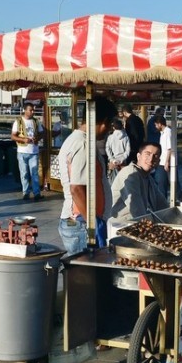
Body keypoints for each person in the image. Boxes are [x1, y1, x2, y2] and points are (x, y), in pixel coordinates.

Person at [57, 96, 117, 255]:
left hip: (81, 223)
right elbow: (76, 188)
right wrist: (93, 225)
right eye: (110, 124)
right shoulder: (83, 144)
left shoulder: (77, 140)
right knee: (85, 277)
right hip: (81, 225)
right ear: (103, 121)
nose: (110, 129)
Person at [110, 142, 169, 222]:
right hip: (123, 225)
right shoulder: (130, 173)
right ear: (138, 156)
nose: (151, 159)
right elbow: (137, 209)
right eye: (147, 154)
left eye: (155, 156)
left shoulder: (148, 178)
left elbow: (162, 205)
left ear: (158, 161)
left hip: (136, 223)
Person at [11, 103, 45, 201]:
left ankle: (36, 193)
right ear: (25, 110)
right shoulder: (18, 121)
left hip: (34, 151)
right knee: (24, 173)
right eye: (30, 110)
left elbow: (42, 133)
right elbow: (13, 136)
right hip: (22, 151)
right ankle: (25, 192)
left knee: (34, 173)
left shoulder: (36, 121)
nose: (32, 112)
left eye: (33, 110)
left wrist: (37, 138)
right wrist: (23, 140)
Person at [154, 115, 181, 200]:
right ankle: (163, 201)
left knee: (173, 183)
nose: (155, 126)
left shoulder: (168, 132)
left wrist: (167, 161)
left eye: (156, 124)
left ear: (160, 124)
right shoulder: (163, 133)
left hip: (167, 162)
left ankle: (180, 199)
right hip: (162, 161)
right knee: (162, 183)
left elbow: (170, 148)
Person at [105, 118, 130, 183]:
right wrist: (121, 159)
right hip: (123, 162)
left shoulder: (110, 137)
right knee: (123, 180)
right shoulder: (126, 137)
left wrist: (112, 159)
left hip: (113, 161)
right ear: (122, 127)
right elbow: (128, 150)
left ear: (113, 127)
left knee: (112, 181)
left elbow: (107, 149)